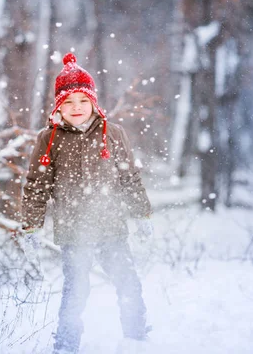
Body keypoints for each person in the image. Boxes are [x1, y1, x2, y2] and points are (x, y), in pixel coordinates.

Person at [20, 52, 153, 354]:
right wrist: (30, 226)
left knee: (128, 283)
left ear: (93, 102)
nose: (76, 108)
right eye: (68, 102)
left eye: (82, 101)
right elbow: (36, 185)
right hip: (73, 230)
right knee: (76, 290)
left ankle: (136, 339)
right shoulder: (49, 139)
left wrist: (142, 214)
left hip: (111, 227)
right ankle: (66, 347)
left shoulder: (113, 134)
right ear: (58, 106)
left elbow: (129, 177)